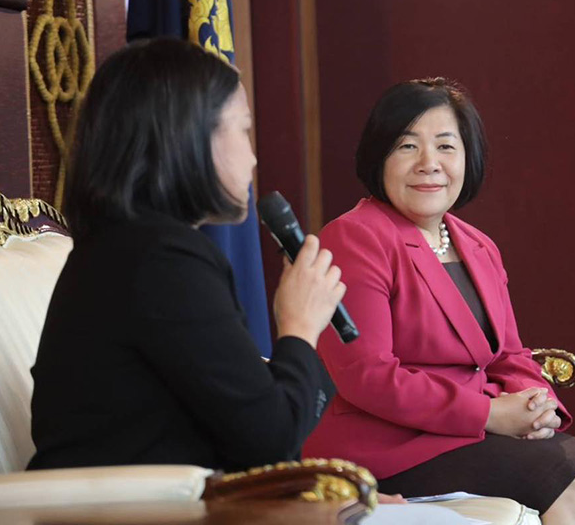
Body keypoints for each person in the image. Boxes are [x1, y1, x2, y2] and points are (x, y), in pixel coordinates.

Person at [302, 78, 575, 524]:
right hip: (389, 445)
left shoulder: (478, 245)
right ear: (379, 156)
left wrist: (536, 405)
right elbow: (368, 376)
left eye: (446, 146)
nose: (429, 163)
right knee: (569, 483)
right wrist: (489, 414)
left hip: (473, 432)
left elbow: (509, 356)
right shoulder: (354, 238)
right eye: (407, 146)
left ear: (468, 158)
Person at [28, 38, 344, 472]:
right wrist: (300, 326)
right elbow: (270, 442)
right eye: (244, 128)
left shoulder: (129, 248)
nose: (253, 158)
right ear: (188, 137)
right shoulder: (161, 260)